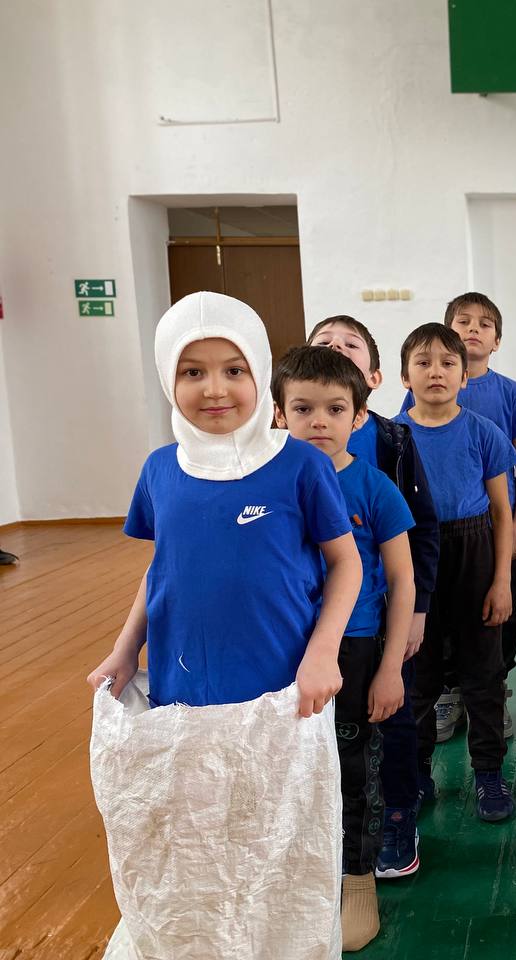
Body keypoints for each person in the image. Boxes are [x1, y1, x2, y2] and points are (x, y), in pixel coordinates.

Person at [86, 292, 361, 945]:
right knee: (201, 835)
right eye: (193, 371)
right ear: (168, 379)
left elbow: (346, 565)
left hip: (281, 694)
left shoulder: (299, 464)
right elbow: (163, 570)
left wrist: (323, 652)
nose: (214, 388)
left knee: (279, 834)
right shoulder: (161, 470)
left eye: (234, 370)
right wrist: (125, 649)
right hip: (186, 693)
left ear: (260, 374)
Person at [273, 346, 415, 951]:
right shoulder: (266, 481)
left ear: (359, 416)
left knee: (350, 766)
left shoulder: (374, 486)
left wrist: (390, 667)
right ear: (279, 413)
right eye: (303, 408)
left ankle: (357, 878)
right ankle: (296, 878)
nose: (319, 421)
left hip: (354, 648)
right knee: (286, 766)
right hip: (282, 648)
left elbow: (403, 579)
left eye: (335, 409)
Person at [305, 314, 441, 880]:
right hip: (302, 629)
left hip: (374, 621)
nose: (337, 349)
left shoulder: (391, 444)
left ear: (372, 381)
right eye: (324, 343)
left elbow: (419, 536)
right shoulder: (279, 459)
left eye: (350, 344)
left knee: (391, 717)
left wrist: (417, 611)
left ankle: (397, 816)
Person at [399, 294, 516, 743]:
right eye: (464, 321)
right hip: (429, 534)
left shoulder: (510, 395)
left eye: (485, 324)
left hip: (489, 528)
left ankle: (493, 688)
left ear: (497, 341)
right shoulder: (414, 405)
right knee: (435, 621)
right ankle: (448, 691)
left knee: (498, 611)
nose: (474, 328)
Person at [396, 323, 516, 822]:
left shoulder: (483, 432)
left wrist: (501, 580)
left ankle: (488, 773)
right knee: (418, 674)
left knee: (482, 672)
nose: (436, 372)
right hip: (412, 557)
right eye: (423, 363)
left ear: (464, 377)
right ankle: (417, 771)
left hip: (474, 553)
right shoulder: (389, 438)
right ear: (404, 376)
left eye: (448, 363)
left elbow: (502, 512)